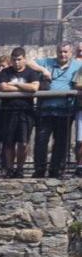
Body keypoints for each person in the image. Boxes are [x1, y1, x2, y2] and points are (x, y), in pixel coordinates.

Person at [31, 43, 80, 178]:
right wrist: (43, 70)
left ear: (70, 53)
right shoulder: (47, 62)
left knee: (61, 142)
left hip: (65, 111)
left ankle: (56, 170)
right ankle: (39, 169)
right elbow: (28, 61)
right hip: (45, 110)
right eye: (60, 52)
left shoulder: (77, 65)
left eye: (65, 52)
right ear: (56, 52)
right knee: (41, 141)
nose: (62, 55)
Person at [0, 47, 43, 176]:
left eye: (19, 59)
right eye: (14, 59)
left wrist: (15, 84)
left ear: (24, 59)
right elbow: (3, 87)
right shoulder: (5, 72)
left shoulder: (31, 72)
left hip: (26, 112)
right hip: (8, 111)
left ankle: (20, 169)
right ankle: (10, 169)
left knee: (23, 142)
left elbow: (34, 87)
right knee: (9, 142)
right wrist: (24, 88)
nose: (16, 62)